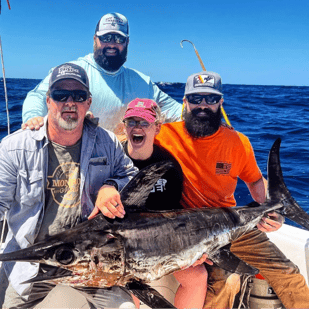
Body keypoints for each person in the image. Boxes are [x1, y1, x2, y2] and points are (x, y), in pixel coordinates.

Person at [152, 70, 309, 308]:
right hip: (185, 232)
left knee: (288, 273)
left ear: (220, 103)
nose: (203, 105)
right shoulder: (162, 136)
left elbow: (255, 181)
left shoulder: (238, 142)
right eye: (195, 99)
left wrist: (272, 208)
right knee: (229, 281)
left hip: (232, 224)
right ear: (184, 102)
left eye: (211, 99)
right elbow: (126, 144)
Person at [0, 63, 138, 308]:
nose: (69, 101)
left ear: (88, 103)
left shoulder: (108, 142)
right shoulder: (14, 147)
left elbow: (130, 175)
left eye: (79, 95)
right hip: (35, 263)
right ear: (48, 101)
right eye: (60, 95)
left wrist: (111, 185)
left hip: (94, 262)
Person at [112, 98, 211, 309]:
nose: (137, 127)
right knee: (129, 284)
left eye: (144, 123)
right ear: (124, 125)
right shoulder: (113, 160)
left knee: (197, 275)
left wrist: (194, 249)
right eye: (132, 122)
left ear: (157, 128)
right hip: (121, 246)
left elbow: (173, 218)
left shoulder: (169, 167)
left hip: (162, 241)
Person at [22, 12, 182, 132]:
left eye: (118, 39)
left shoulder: (142, 82)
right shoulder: (71, 71)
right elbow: (37, 96)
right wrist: (33, 117)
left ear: (127, 42)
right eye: (106, 38)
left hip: (122, 164)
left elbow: (176, 112)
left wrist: (203, 103)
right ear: (94, 39)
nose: (112, 44)